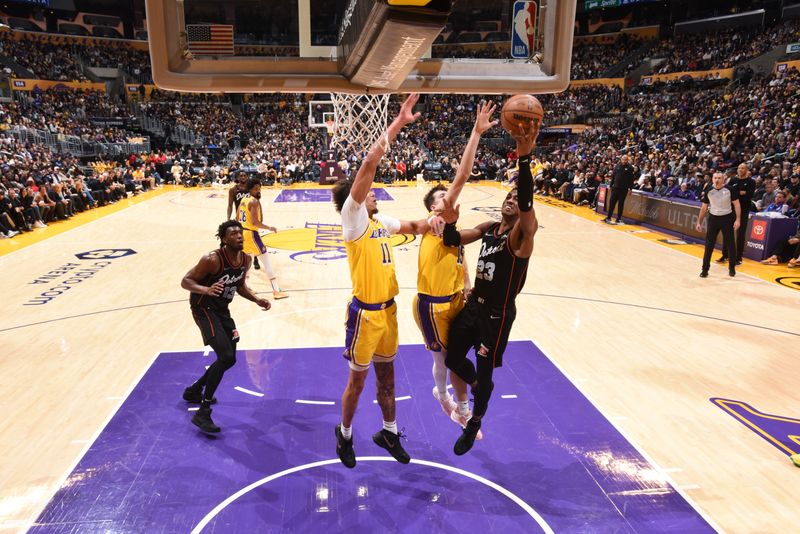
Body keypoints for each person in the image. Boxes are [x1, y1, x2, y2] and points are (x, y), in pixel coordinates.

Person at [331, 93, 437, 469]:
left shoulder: (380, 222)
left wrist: (438, 220)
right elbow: (368, 165)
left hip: (388, 313)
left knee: (388, 379)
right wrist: (397, 124)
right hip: (364, 314)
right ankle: (344, 435)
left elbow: (415, 225)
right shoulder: (354, 218)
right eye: (368, 191)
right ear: (354, 200)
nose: (374, 191)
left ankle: (389, 431)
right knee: (358, 384)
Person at [440, 125, 540, 456]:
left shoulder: (521, 238)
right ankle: (481, 387)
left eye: (516, 198)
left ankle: (475, 422)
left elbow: (525, 202)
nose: (511, 199)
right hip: (473, 307)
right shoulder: (490, 229)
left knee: (483, 368)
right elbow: (454, 240)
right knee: (453, 357)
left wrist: (524, 160)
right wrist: (451, 221)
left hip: (496, 316)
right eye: (507, 196)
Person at [414, 101, 496, 436]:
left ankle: (463, 409)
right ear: (435, 207)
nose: (448, 200)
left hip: (455, 300)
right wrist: (476, 133)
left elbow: (460, 258)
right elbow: (462, 176)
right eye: (442, 199)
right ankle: (443, 396)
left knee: (458, 356)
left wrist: (465, 285)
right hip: (432, 304)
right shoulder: (434, 223)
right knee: (443, 360)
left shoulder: (454, 234)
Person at [181, 220, 272, 433]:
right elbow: (185, 281)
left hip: (222, 310)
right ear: (224, 239)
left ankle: (194, 390)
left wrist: (257, 299)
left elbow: (240, 286)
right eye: (233, 233)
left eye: (240, 232)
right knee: (226, 356)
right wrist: (206, 289)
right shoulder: (212, 259)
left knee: (229, 357)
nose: (239, 236)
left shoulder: (246, 260)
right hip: (204, 308)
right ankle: (203, 412)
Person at [237, 178, 288, 299]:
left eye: (259, 188)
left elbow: (237, 217)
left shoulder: (243, 199)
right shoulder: (254, 202)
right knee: (267, 262)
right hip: (252, 235)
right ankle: (276, 291)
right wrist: (269, 227)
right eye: (255, 189)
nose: (258, 190)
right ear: (250, 189)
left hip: (244, 234)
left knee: (248, 262)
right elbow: (255, 222)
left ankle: (246, 288)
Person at [696, 172, 741, 278]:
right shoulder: (709, 190)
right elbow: (704, 207)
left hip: (727, 218)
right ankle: (705, 270)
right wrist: (699, 222)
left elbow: (737, 204)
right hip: (713, 219)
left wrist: (738, 220)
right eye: (715, 178)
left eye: (719, 178)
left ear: (723, 179)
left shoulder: (730, 190)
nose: (717, 180)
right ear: (712, 179)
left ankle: (732, 268)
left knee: (730, 244)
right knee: (709, 245)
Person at [718, 164, 755, 265]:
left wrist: (737, 194)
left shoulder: (751, 182)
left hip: (743, 211)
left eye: (742, 168)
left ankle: (738, 258)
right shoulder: (733, 180)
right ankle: (725, 255)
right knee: (727, 232)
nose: (740, 169)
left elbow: (748, 197)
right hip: (731, 210)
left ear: (747, 170)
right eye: (739, 168)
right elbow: (728, 194)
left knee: (740, 235)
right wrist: (740, 193)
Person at [227, 171, 260, 270]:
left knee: (253, 238)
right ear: (237, 177)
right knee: (240, 239)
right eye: (241, 175)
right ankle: (240, 260)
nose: (243, 177)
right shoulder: (233, 190)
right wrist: (228, 219)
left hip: (251, 217)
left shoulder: (251, 189)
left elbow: (257, 202)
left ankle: (256, 259)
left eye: (245, 175)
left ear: (247, 176)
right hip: (240, 218)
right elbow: (230, 205)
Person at [602, 154, 634, 225]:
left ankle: (618, 219)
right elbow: (613, 176)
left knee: (621, 204)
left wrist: (630, 189)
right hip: (615, 188)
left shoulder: (630, 167)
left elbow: (631, 179)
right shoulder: (617, 166)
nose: (624, 160)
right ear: (621, 159)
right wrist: (610, 185)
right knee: (612, 203)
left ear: (627, 160)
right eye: (623, 159)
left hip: (624, 189)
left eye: (626, 159)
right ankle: (608, 217)